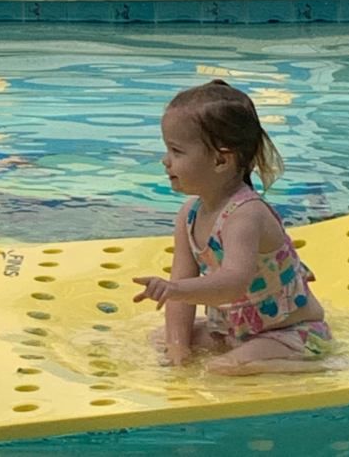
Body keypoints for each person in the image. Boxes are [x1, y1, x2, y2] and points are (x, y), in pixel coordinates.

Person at [132, 80, 333, 376]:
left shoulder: (245, 214)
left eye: (176, 151)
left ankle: (328, 366)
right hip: (235, 331)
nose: (165, 161)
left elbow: (234, 282)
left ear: (220, 160)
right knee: (161, 339)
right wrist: (178, 346)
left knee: (226, 367)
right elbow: (181, 292)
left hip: (294, 331)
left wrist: (175, 290)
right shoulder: (190, 214)